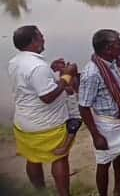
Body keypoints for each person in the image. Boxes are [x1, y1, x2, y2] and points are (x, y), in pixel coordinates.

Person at [9, 26, 78, 196]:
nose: (43, 38)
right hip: (47, 125)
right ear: (33, 41)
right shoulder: (38, 67)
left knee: (32, 158)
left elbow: (30, 83)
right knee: (59, 158)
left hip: (24, 123)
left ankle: (39, 191)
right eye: (40, 36)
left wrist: (50, 67)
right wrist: (67, 76)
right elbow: (47, 97)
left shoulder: (15, 62)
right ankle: (64, 194)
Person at [79, 29, 120, 196]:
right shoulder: (92, 73)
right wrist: (96, 135)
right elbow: (83, 106)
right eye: (118, 43)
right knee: (104, 162)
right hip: (106, 126)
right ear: (108, 48)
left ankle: (119, 186)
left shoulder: (114, 62)